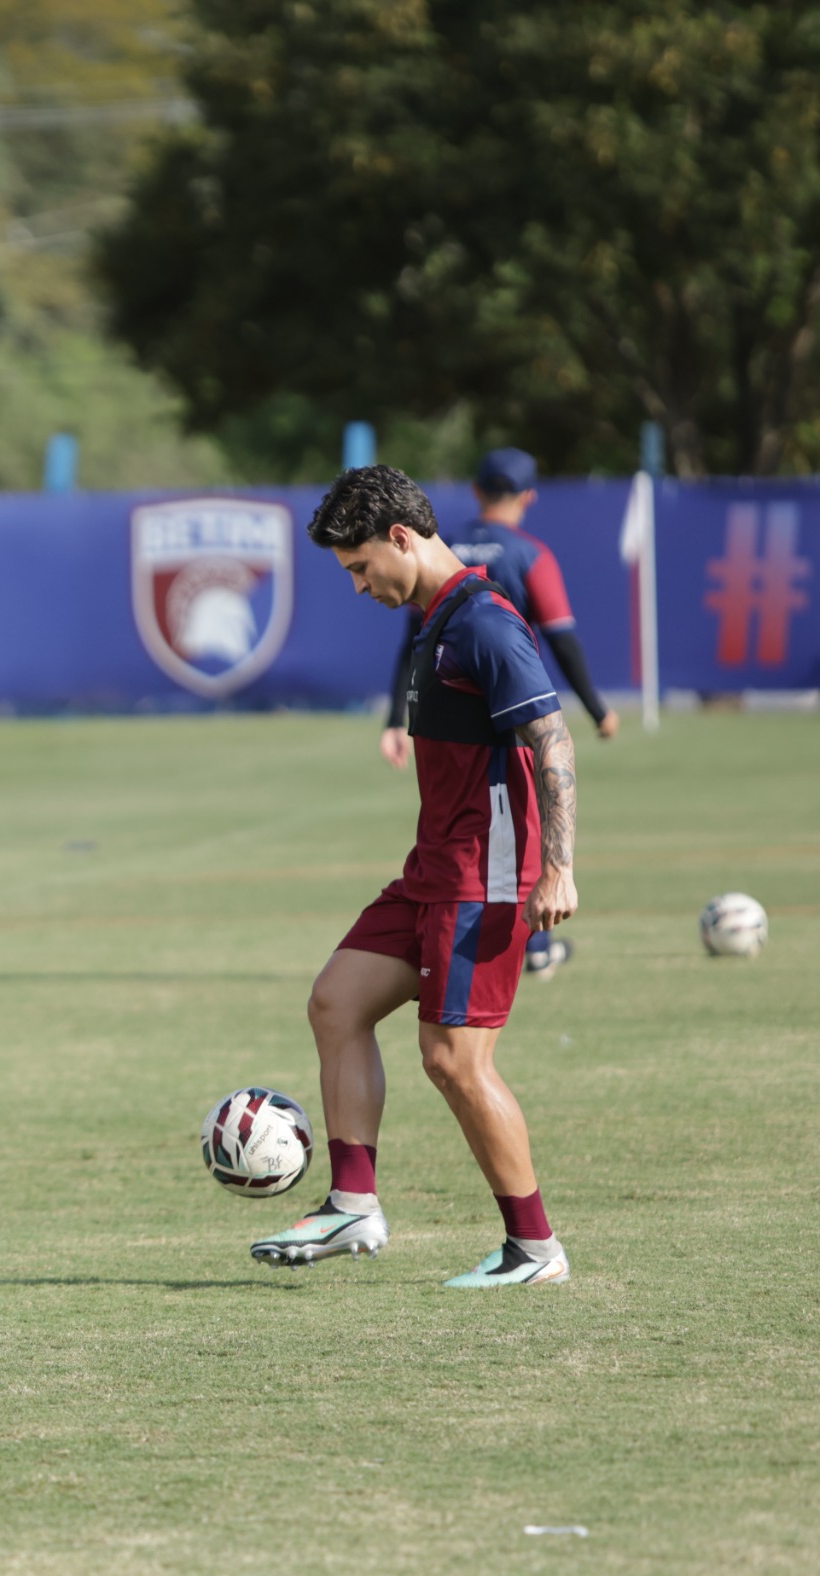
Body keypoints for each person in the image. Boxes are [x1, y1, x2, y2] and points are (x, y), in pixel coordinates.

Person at [257, 465, 577, 1288]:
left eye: (362, 567)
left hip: (486, 878)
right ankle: (353, 1205)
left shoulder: (485, 625)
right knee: (336, 1002)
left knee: (454, 1061)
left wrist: (558, 869)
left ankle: (535, 1249)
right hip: (432, 871)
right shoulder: (436, 621)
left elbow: (553, 740)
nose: (360, 585)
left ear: (401, 537)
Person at [378, 447, 616, 981]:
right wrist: (598, 710)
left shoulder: (438, 550)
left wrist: (395, 718)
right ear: (529, 496)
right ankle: (534, 943)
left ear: (477, 490)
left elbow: (412, 643)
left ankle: (524, 940)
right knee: (516, 800)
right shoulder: (530, 553)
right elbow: (561, 637)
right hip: (511, 705)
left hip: (443, 701)